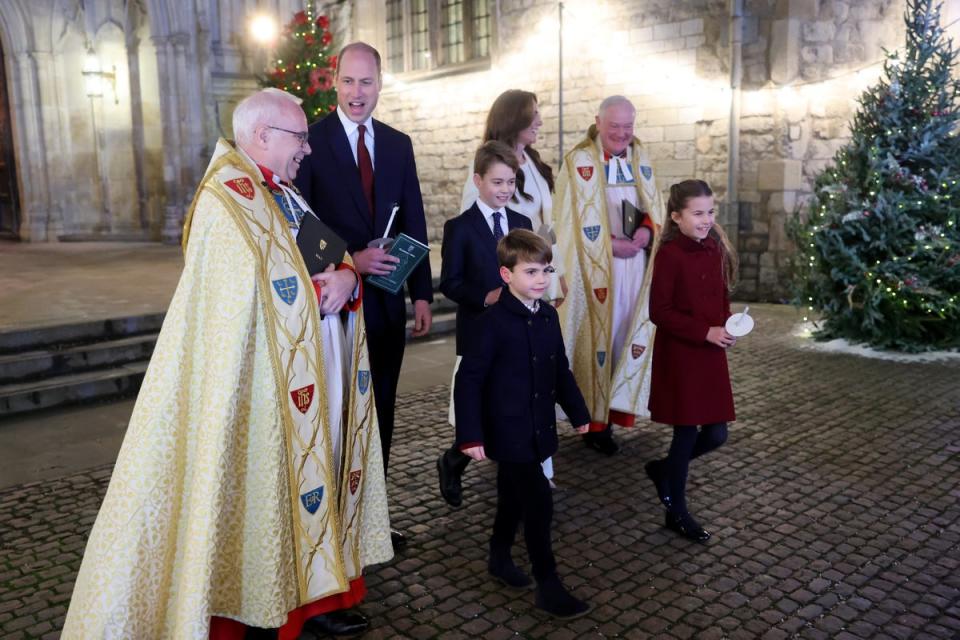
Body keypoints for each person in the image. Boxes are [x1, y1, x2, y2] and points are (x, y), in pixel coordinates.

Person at [61, 88, 392, 640]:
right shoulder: (226, 200)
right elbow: (245, 301)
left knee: (316, 478)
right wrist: (322, 289)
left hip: (313, 376)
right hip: (260, 390)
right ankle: (263, 602)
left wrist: (347, 276)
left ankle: (316, 598)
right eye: (299, 138)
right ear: (262, 137)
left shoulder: (284, 194)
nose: (307, 150)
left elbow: (329, 258)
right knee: (268, 493)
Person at [295, 42, 433, 550]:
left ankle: (372, 518)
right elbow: (301, 227)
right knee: (338, 413)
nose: (358, 93)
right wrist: (353, 257)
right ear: (335, 81)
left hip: (386, 305)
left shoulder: (398, 144)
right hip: (334, 306)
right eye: (349, 82)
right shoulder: (310, 141)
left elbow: (414, 220)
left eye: (367, 82)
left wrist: (421, 294)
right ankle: (333, 527)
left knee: (384, 411)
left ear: (380, 83)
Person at [454, 229, 592, 619]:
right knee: (539, 502)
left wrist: (579, 414)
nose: (542, 280)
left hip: (538, 426)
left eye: (546, 270)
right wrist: (470, 434)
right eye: (531, 272)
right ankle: (548, 585)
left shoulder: (548, 315)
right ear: (506, 274)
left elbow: (559, 370)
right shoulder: (492, 322)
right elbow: (470, 380)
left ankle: (499, 555)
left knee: (512, 498)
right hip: (506, 429)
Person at [457, 89, 563, 486]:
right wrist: (498, 292)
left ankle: (536, 465)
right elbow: (481, 237)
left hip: (534, 280)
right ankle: (523, 468)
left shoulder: (531, 163)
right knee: (510, 383)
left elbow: (544, 229)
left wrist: (556, 272)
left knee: (536, 375)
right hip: (507, 293)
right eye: (533, 115)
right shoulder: (490, 163)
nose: (539, 122)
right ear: (513, 118)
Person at [553, 95, 665, 455]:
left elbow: (653, 206)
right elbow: (567, 223)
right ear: (598, 122)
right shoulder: (578, 162)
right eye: (614, 126)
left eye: (628, 126)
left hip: (636, 269)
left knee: (624, 335)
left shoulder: (640, 156)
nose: (622, 134)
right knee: (598, 341)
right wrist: (608, 246)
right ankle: (594, 423)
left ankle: (619, 409)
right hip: (596, 269)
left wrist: (648, 230)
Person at [436, 141, 532, 508]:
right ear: (477, 180)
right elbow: (450, 282)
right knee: (479, 409)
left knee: (509, 408)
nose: (505, 189)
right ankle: (453, 460)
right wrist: (484, 296)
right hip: (479, 333)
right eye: (497, 182)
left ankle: (517, 481)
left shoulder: (522, 224)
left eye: (510, 181)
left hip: (517, 332)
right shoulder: (459, 228)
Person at [645, 179, 738, 543]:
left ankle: (662, 469)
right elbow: (660, 311)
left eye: (710, 212)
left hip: (711, 353)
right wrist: (704, 332)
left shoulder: (714, 247)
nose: (705, 220)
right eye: (697, 213)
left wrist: (728, 324)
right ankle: (676, 510)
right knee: (686, 433)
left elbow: (719, 295)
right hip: (683, 354)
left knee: (716, 433)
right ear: (676, 216)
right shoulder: (669, 254)